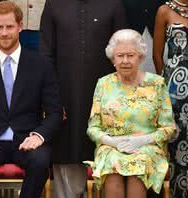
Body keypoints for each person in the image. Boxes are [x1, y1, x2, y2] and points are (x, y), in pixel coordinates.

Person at [0, 1, 62, 198]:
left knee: (41, 161)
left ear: (20, 27)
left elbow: (55, 112)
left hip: (28, 140)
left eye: (10, 27)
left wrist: (38, 136)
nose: (5, 33)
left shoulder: (41, 65)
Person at [39, 0, 127, 197]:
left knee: (107, 153)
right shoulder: (54, 4)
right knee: (67, 151)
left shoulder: (113, 4)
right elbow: (45, 55)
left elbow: (122, 55)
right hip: (64, 95)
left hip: (106, 98)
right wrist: (51, 100)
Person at [86, 29, 175, 198]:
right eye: (120, 56)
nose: (125, 61)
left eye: (130, 55)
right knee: (113, 165)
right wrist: (112, 142)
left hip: (147, 147)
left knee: (138, 165)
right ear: (113, 58)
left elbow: (168, 128)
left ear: (140, 57)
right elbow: (93, 128)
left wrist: (142, 140)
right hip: (112, 146)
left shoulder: (156, 84)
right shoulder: (104, 84)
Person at [153, 1, 188, 197]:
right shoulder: (164, 11)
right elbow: (157, 55)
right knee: (177, 143)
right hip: (175, 89)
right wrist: (164, 87)